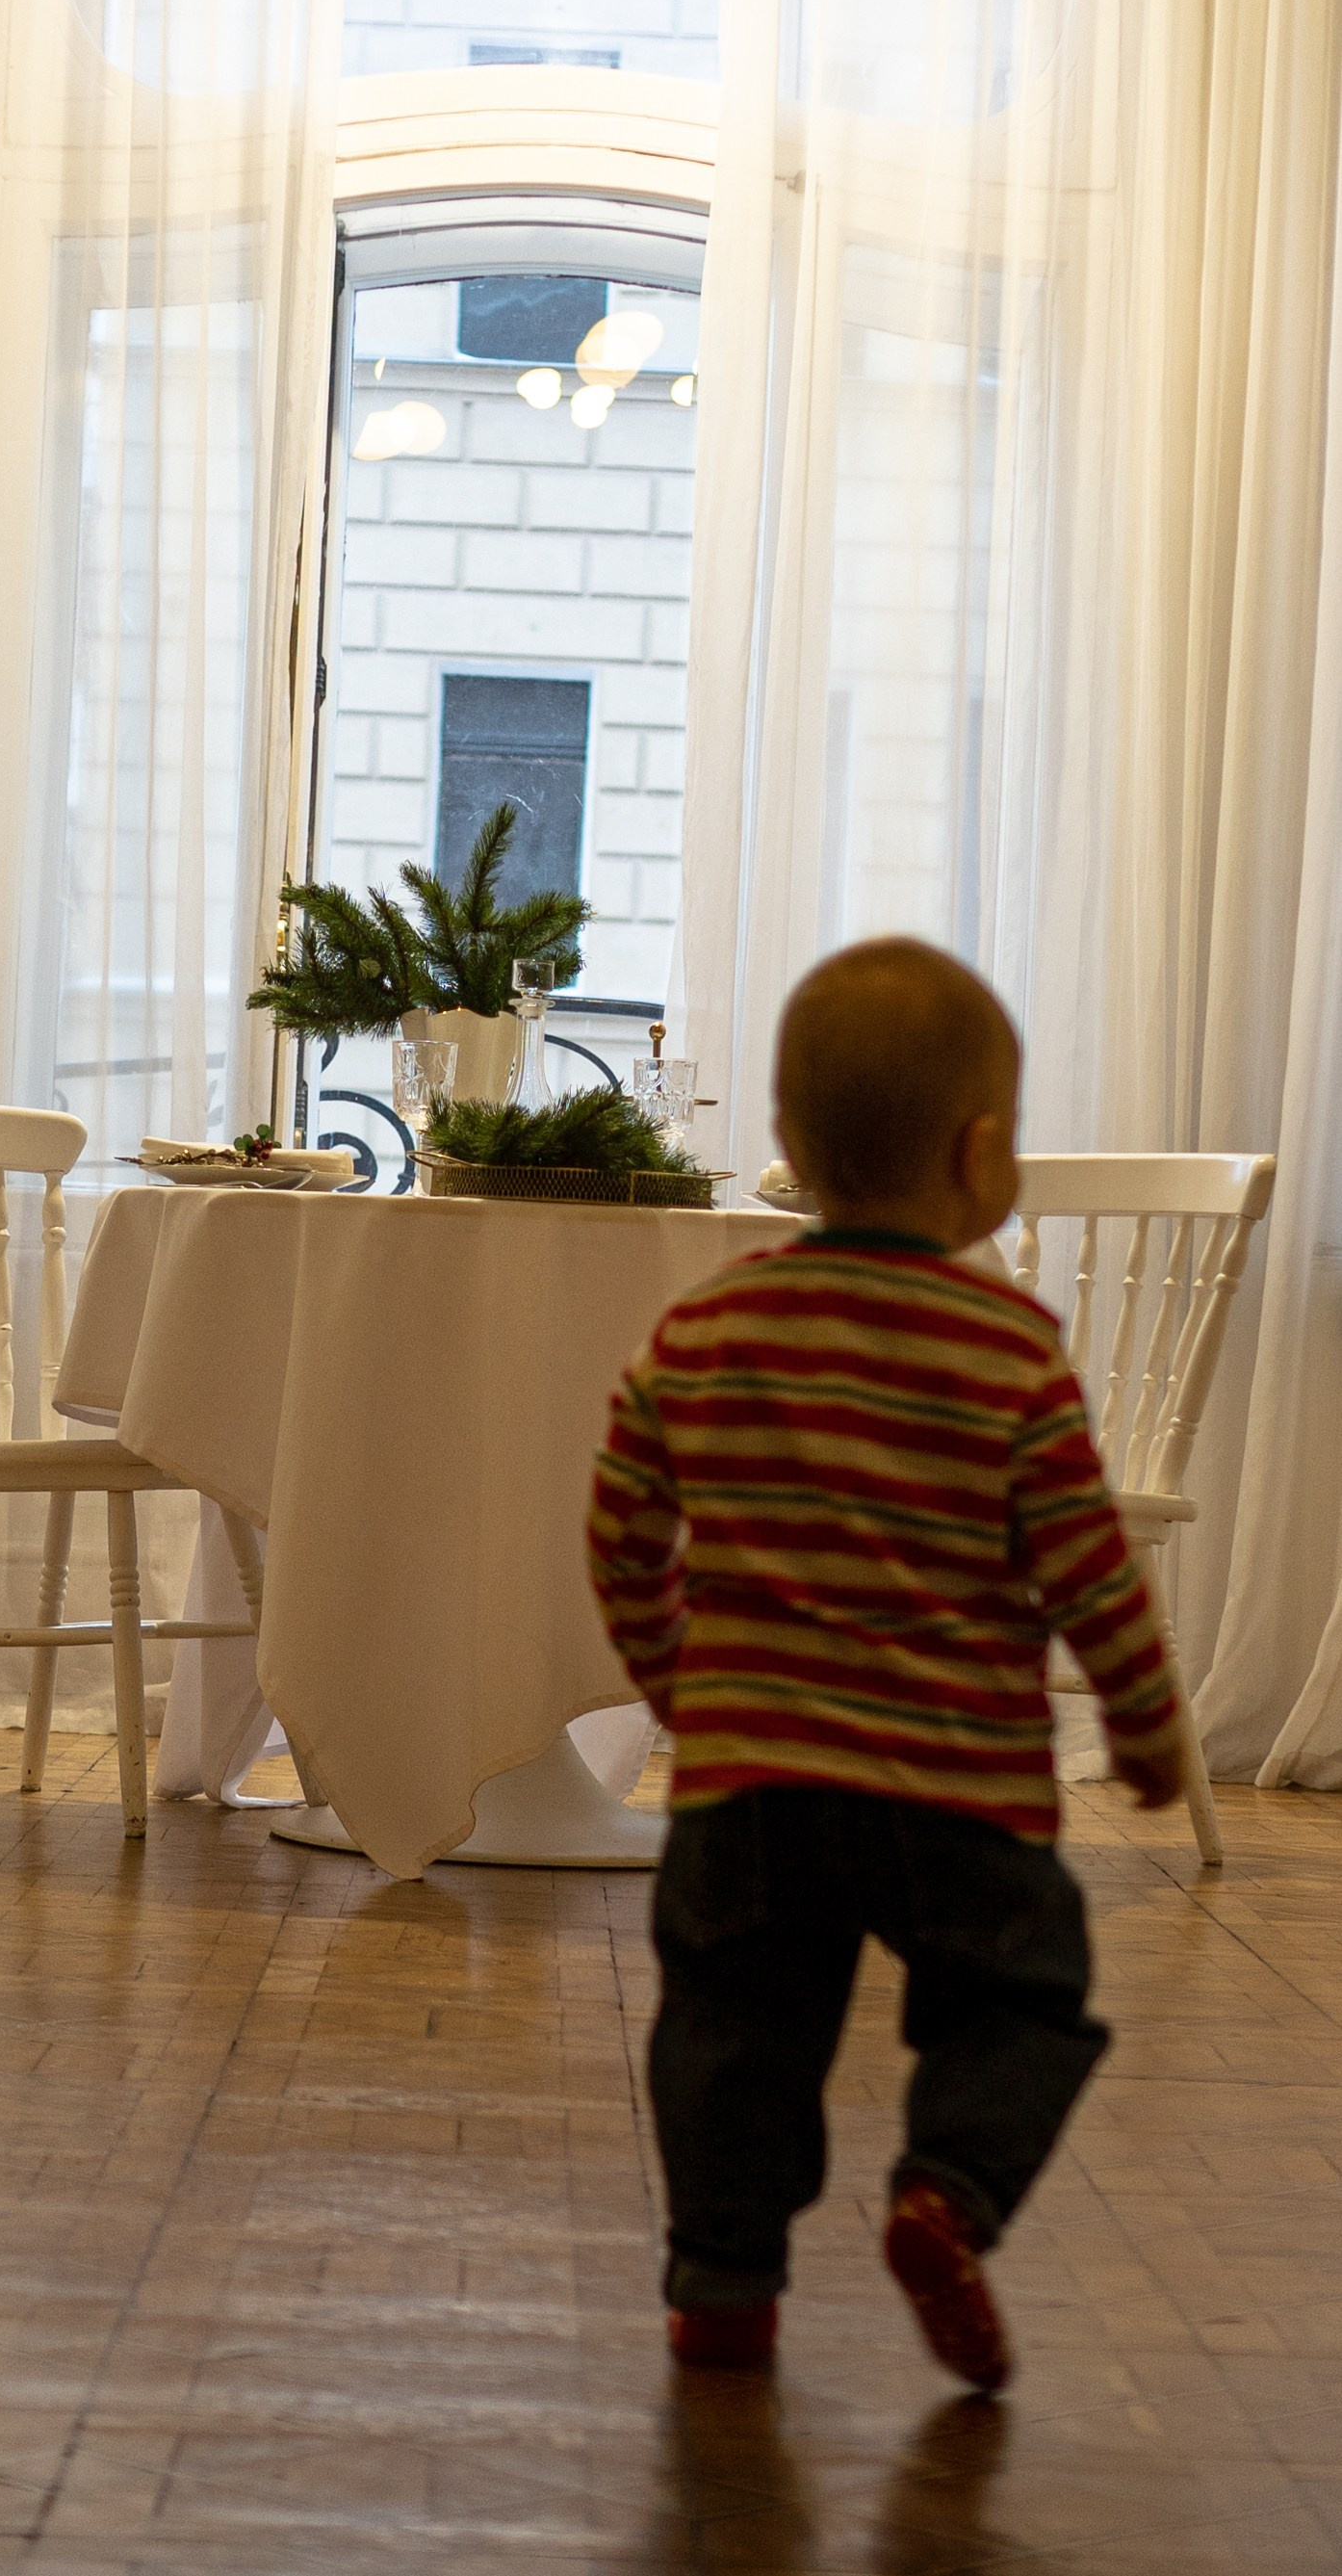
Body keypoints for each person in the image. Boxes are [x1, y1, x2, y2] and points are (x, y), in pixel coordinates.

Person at [585, 938, 1186, 2391]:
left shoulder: (707, 1327)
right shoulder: (1011, 1350)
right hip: (955, 1790)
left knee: (732, 2031)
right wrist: (1144, 1719)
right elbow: (1087, 1568)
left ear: (788, 1147)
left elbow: (620, 1525)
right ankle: (947, 2192)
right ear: (982, 1155)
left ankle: (722, 2283)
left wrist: (679, 1679)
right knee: (1024, 1996)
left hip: (752, 1784)